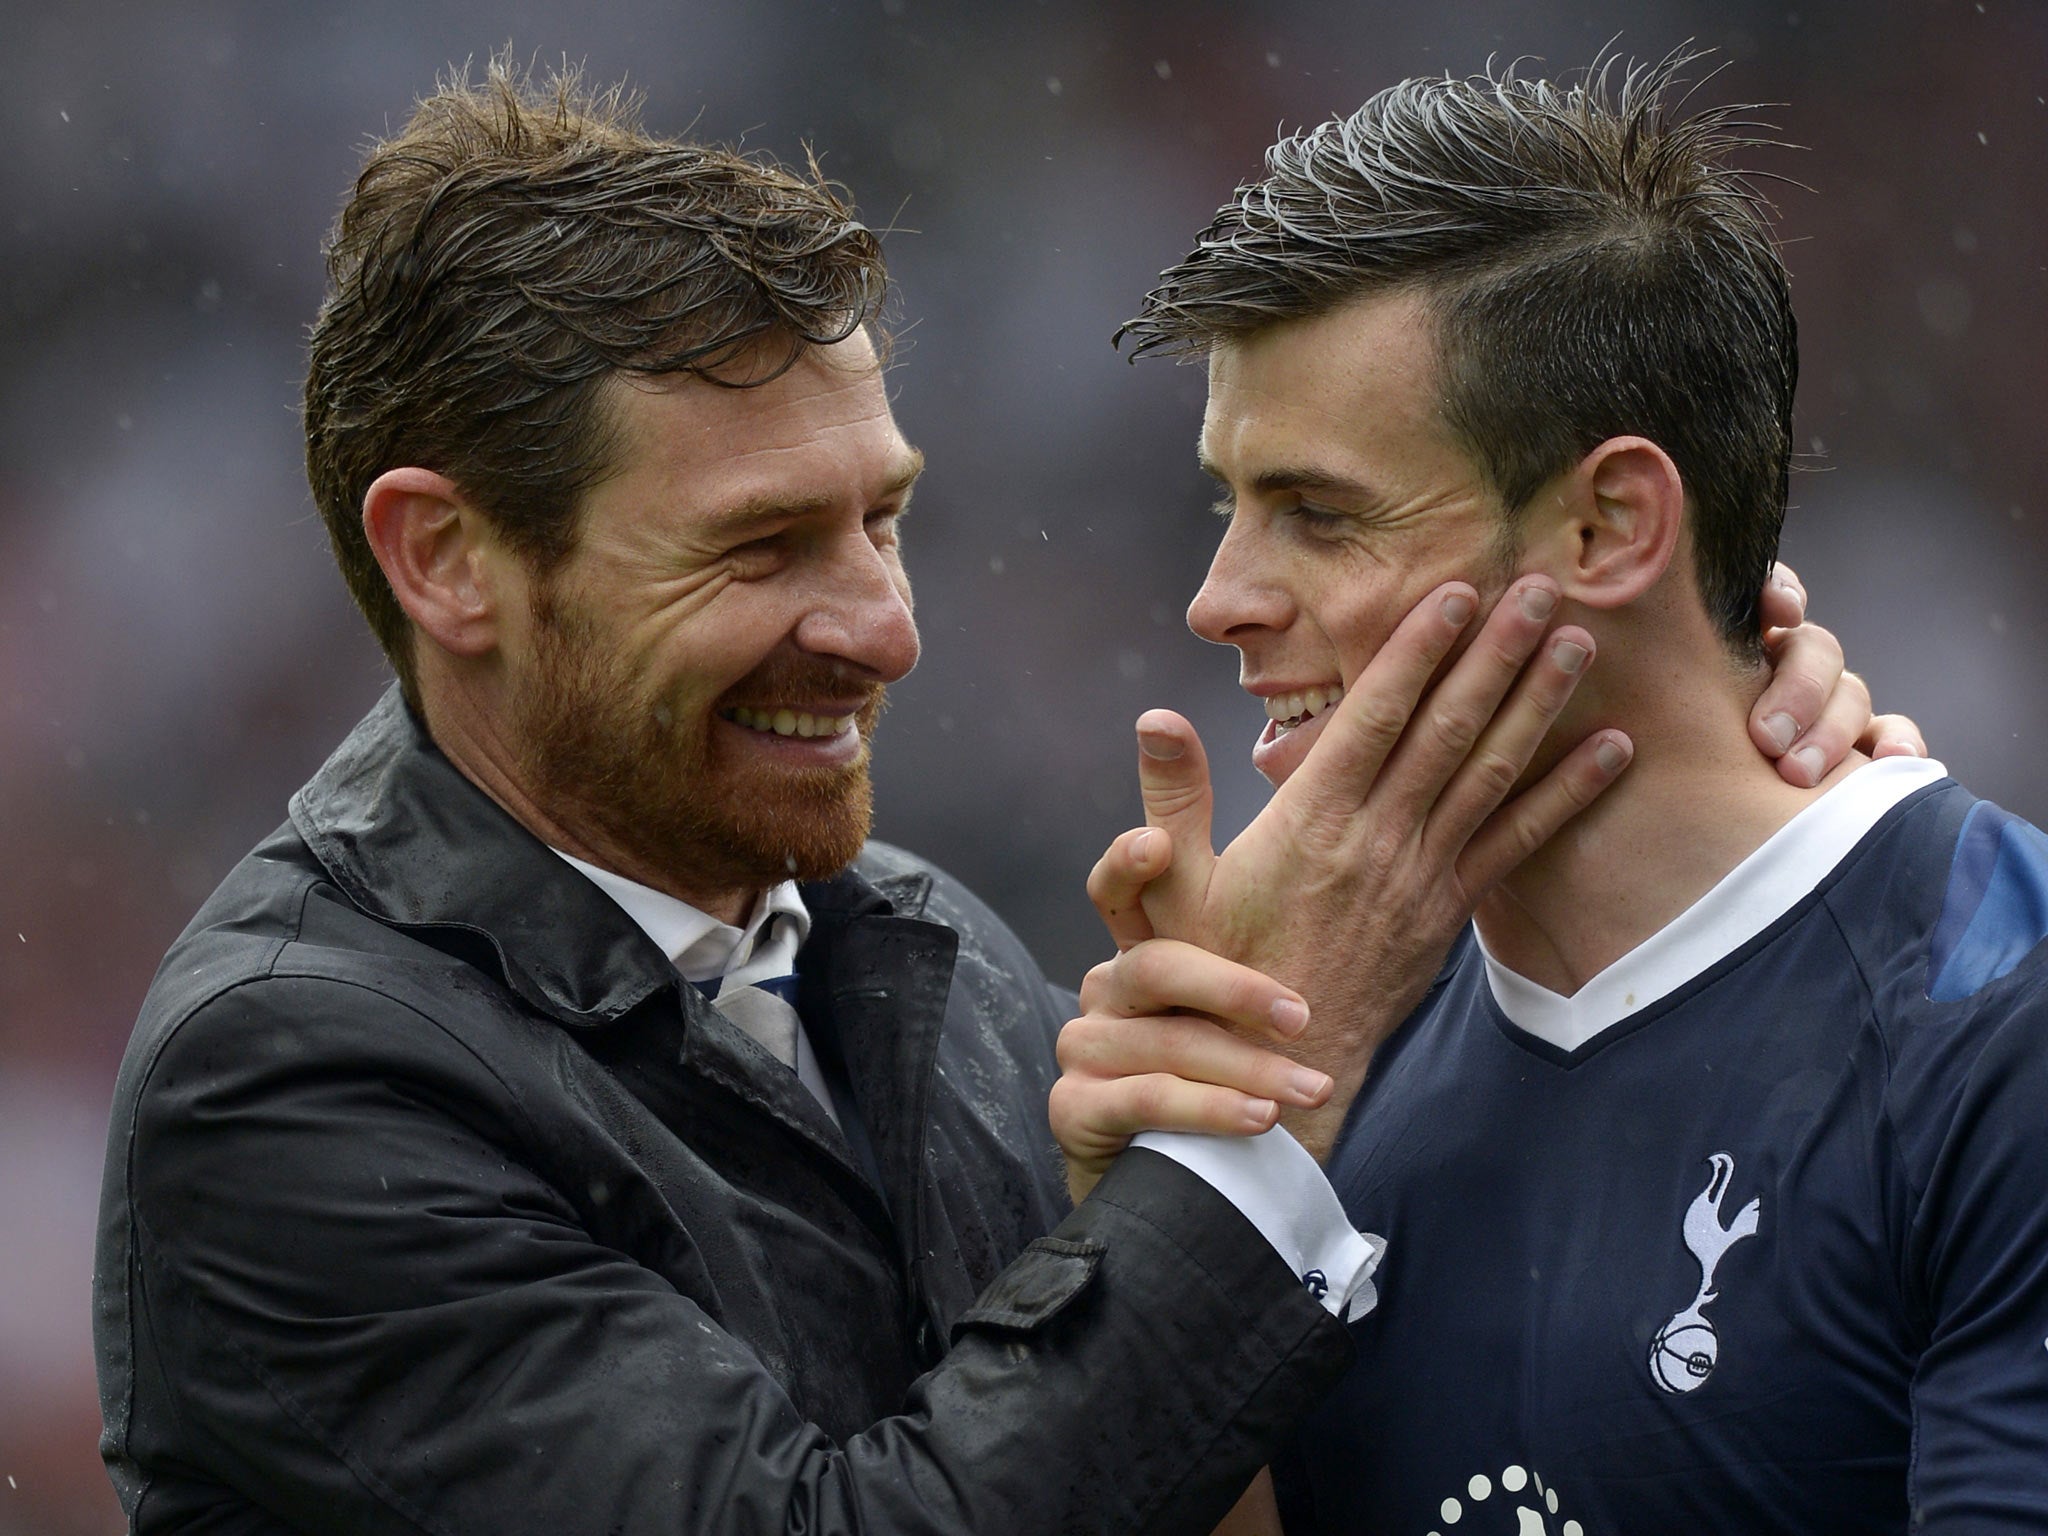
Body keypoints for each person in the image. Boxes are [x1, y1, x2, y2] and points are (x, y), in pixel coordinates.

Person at [93, 59, 1899, 1536]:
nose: (883, 625)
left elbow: (1191, 1474)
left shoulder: (921, 948)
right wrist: (1255, 1117)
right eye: (761, 545)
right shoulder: (292, 1081)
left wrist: (1714, 755)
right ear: (449, 562)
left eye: (881, 516)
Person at [1057, 53, 2048, 1534]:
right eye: (1229, 503)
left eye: (1318, 515)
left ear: (1606, 525)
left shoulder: (1997, 1007)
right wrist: (1179, 1207)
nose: (1220, 601)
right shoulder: (1281, 1049)